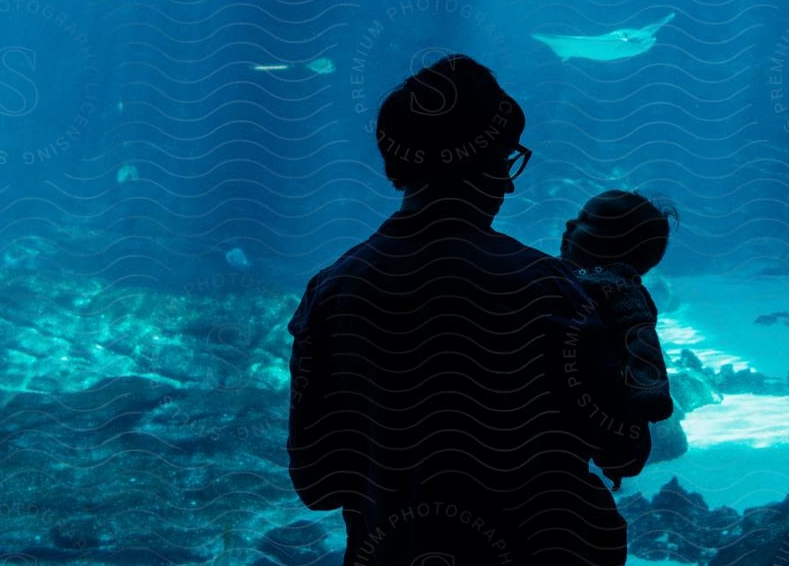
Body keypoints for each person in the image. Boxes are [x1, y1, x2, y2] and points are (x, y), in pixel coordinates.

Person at [287, 55, 637, 565]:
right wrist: (628, 329)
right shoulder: (549, 288)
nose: (509, 182)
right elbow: (624, 449)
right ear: (481, 160)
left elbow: (315, 483)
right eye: (504, 160)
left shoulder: (332, 292)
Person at [558, 191, 676, 491]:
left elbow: (641, 338)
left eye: (588, 221)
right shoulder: (562, 274)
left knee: (623, 444)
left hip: (607, 392)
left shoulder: (619, 289)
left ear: (618, 246)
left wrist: (652, 390)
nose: (572, 223)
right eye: (577, 215)